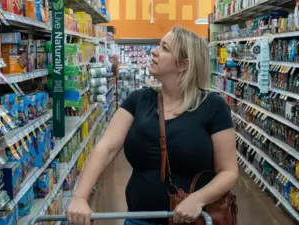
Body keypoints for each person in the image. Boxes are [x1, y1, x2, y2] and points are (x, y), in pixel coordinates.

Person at [67, 26, 239, 225]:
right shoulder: (138, 100)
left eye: (164, 48)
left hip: (193, 220)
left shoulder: (213, 106)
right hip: (138, 218)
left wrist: (197, 199)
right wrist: (79, 197)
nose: (154, 51)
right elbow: (106, 147)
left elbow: (228, 171)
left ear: (184, 64)